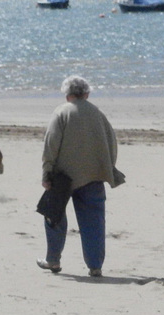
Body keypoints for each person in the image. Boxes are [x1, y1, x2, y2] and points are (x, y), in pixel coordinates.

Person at [37, 75, 122, 277]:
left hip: (62, 177)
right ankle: (95, 266)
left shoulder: (61, 112)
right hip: (94, 175)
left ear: (68, 95)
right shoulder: (97, 113)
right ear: (86, 94)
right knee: (94, 221)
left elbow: (50, 146)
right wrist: (108, 168)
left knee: (53, 216)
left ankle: (53, 260)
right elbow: (112, 144)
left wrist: (46, 172)